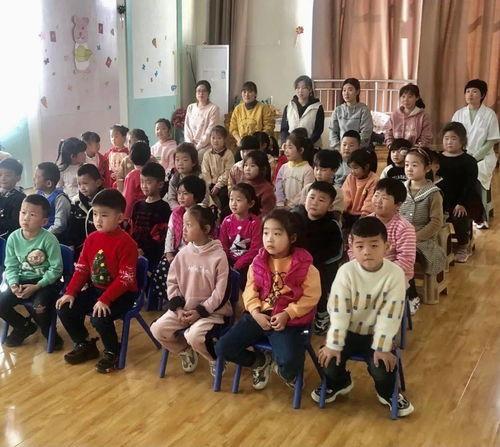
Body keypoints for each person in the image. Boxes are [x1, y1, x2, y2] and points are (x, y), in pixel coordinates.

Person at [311, 216, 414, 417]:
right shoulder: (346, 271)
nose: (367, 251)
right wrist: (334, 344)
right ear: (351, 247)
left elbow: (390, 314)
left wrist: (382, 347)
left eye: (374, 245)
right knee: (328, 361)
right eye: (360, 246)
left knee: (383, 368)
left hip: (376, 335)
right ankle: (340, 383)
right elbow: (339, 312)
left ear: (386, 246)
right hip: (347, 332)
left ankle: (388, 393)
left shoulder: (395, 274)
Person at [215, 209, 321, 390]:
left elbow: (311, 297)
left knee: (289, 363)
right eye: (266, 233)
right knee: (222, 348)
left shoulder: (305, 266)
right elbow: (250, 290)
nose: (269, 239)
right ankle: (260, 361)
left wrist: (287, 314)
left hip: (289, 322)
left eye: (277, 234)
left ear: (292, 238)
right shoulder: (258, 261)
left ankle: (286, 372)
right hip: (259, 316)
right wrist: (255, 312)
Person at [56, 189, 139, 374]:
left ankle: (112, 351)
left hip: (122, 295)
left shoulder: (127, 244)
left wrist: (105, 299)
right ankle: (84, 344)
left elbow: (125, 279)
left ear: (119, 218)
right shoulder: (91, 239)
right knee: (64, 308)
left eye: (104, 215)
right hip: (97, 290)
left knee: (99, 317)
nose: (98, 220)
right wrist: (70, 292)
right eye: (94, 214)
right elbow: (82, 269)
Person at [151, 205, 231, 376]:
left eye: (189, 225)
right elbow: (172, 282)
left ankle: (214, 359)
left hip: (211, 313)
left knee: (194, 336)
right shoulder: (183, 254)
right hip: (184, 310)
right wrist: (178, 308)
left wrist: (200, 311)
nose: (184, 229)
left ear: (206, 229)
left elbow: (220, 293)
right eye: (183, 224)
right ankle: (185, 350)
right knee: (158, 329)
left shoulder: (219, 256)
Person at [0, 195, 63, 348]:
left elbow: (56, 269)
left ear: (44, 221)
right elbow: (11, 265)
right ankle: (23, 326)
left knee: (39, 307)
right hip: (21, 281)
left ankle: (48, 332)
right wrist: (13, 284)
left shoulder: (49, 239)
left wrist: (37, 286)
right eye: (23, 212)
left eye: (32, 214)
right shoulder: (13, 237)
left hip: (45, 282)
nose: (26, 218)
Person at [292, 182, 343, 335]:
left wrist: (312, 262)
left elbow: (336, 251)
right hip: (297, 262)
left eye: (321, 200)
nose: (314, 202)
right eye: (312, 197)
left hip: (321, 265)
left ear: (330, 206)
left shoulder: (332, 225)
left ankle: (322, 314)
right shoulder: (295, 218)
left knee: (320, 288)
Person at [149, 176, 207, 309]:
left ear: (196, 196)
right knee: (163, 268)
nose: (180, 197)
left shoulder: (203, 213)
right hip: (178, 252)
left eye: (185, 193)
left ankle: (189, 301)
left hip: (197, 253)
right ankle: (174, 301)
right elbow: (170, 234)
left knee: (191, 272)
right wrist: (169, 253)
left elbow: (206, 237)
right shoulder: (176, 213)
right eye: (179, 193)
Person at [399, 149, 445, 311]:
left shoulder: (433, 193)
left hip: (423, 241)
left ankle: (411, 295)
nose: (409, 169)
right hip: (400, 236)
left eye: (414, 165)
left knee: (404, 255)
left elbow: (436, 222)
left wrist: (413, 237)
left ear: (427, 168)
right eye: (406, 165)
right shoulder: (401, 189)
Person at [452, 79, 500, 228]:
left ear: (482, 95)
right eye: (467, 91)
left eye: (474, 91)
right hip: (462, 155)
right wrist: (462, 156)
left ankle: (479, 216)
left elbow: (491, 140)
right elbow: (453, 136)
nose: (470, 94)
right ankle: (455, 212)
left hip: (484, 157)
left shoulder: (489, 114)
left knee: (476, 174)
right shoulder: (459, 114)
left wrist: (474, 158)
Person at [437, 122, 482, 263]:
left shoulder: (469, 161)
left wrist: (461, 203)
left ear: (462, 140)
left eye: (453, 138)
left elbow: (470, 186)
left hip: (465, 200)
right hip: (441, 199)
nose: (449, 142)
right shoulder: (437, 159)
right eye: (446, 138)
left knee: (459, 214)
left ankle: (463, 245)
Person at [219, 183, 262, 288]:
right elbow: (223, 244)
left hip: (248, 263)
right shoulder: (227, 221)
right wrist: (225, 261)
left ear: (251, 204)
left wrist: (239, 264)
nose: (233, 203)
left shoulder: (255, 223)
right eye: (231, 199)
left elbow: (255, 249)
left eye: (238, 200)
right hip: (229, 260)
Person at [130, 161, 171, 268]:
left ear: (160, 184)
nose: (144, 186)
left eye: (148, 182)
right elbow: (132, 229)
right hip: (134, 252)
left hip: (153, 257)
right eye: (142, 181)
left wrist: (143, 250)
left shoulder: (164, 208)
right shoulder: (137, 205)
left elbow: (159, 236)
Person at [68, 164, 103, 259]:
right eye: (79, 184)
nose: (82, 187)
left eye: (85, 183)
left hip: (101, 247)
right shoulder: (76, 202)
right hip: (81, 249)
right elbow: (72, 227)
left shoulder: (106, 201)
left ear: (98, 183)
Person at [298, 149, 344, 220]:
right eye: (316, 169)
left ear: (334, 170)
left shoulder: (337, 192)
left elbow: (336, 215)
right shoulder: (308, 188)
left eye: (323, 170)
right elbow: (301, 208)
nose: (318, 173)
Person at [329, 78, 373, 150]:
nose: (346, 93)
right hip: (341, 149)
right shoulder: (338, 110)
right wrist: (339, 148)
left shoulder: (364, 110)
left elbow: (366, 133)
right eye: (344, 90)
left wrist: (354, 147)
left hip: (358, 150)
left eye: (350, 90)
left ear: (357, 91)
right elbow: (333, 131)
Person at [384, 84, 432, 149]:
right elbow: (388, 133)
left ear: (417, 98)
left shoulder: (423, 116)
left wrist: (412, 150)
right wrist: (391, 146)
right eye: (403, 96)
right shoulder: (395, 115)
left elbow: (426, 137)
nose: (406, 100)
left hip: (415, 152)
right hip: (395, 150)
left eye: (410, 97)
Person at [280, 75, 325, 146]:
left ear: (310, 90)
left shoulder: (317, 107)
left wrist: (307, 144)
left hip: (311, 146)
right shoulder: (289, 107)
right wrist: (285, 142)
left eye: (304, 88)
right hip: (292, 147)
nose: (300, 91)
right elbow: (284, 129)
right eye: (298, 88)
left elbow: (318, 131)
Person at [342, 149, 378, 232]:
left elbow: (370, 201)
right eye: (351, 168)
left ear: (366, 167)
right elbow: (345, 195)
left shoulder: (374, 180)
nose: (352, 172)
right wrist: (341, 211)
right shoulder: (350, 177)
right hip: (348, 214)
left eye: (355, 168)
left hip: (364, 215)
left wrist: (364, 216)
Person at [275, 132, 315, 208]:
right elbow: (278, 186)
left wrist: (290, 205)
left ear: (301, 150)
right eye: (286, 147)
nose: (286, 151)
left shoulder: (308, 170)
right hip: (282, 206)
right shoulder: (284, 167)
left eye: (290, 148)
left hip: (298, 208)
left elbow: (305, 192)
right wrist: (280, 203)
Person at [34, 162, 71, 243]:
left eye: (37, 177)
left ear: (48, 183)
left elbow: (59, 226)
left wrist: (42, 236)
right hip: (39, 235)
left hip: (54, 239)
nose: (34, 179)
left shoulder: (60, 199)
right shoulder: (38, 194)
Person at [184, 80, 221, 159]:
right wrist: (189, 144)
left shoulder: (213, 108)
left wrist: (197, 147)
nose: (201, 93)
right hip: (190, 144)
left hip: (205, 145)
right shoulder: (191, 107)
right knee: (180, 154)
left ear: (209, 93)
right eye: (198, 91)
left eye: (204, 91)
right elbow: (187, 127)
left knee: (198, 156)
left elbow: (210, 131)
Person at [201, 125, 234, 213]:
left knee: (224, 197)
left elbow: (228, 172)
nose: (215, 141)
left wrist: (218, 185)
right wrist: (208, 185)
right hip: (210, 183)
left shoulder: (229, 154)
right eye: (213, 138)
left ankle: (223, 216)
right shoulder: (207, 154)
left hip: (224, 184)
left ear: (224, 140)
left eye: (219, 138)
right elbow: (205, 171)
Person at [166, 143, 207, 210]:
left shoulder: (200, 178)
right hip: (179, 210)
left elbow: (205, 199)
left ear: (194, 162)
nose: (180, 163)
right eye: (177, 160)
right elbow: (171, 199)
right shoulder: (174, 178)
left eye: (185, 160)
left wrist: (191, 211)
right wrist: (180, 210)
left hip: (197, 211)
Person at [242, 150, 276, 216]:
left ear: (262, 169)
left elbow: (267, 214)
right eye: (245, 165)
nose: (247, 169)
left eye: (252, 166)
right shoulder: (242, 184)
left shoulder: (267, 189)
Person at [122, 141, 151, 219]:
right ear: (149, 157)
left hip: (136, 214)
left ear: (131, 158)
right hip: (150, 210)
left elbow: (128, 199)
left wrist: (125, 218)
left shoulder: (131, 176)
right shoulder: (152, 173)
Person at [0, 158, 26, 239]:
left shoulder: (20, 198)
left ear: (18, 177)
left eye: (7, 175)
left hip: (9, 237)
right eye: (0, 174)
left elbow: (15, 224)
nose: (3, 178)